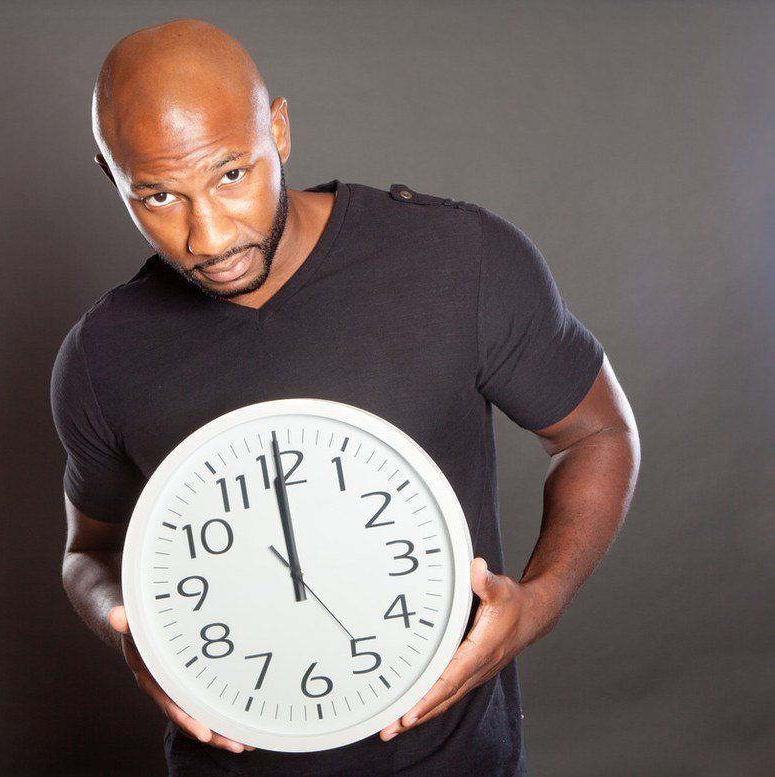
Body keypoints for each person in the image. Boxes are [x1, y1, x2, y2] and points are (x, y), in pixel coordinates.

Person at [50, 18, 640, 776]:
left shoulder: (458, 260)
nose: (209, 236)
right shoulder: (103, 355)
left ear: (278, 131)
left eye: (231, 175)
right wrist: (132, 636)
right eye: (159, 195)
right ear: (113, 177)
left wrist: (539, 603)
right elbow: (89, 551)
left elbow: (597, 434)